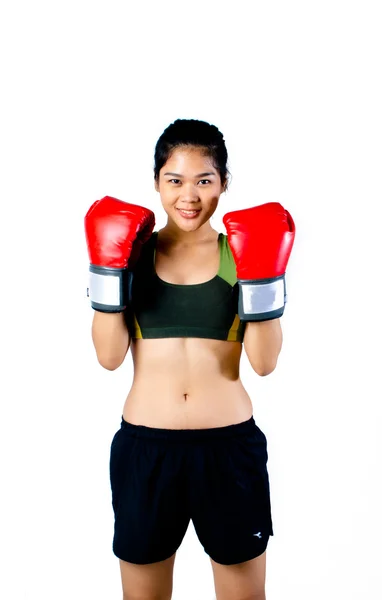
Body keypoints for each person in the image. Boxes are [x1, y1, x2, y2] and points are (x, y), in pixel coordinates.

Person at [84, 119, 295, 600]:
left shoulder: (242, 254)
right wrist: (107, 270)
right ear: (157, 182)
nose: (189, 195)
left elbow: (263, 363)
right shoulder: (131, 254)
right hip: (146, 450)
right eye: (174, 180)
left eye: (205, 180)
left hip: (229, 450)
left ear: (224, 184)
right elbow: (109, 357)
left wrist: (262, 278)